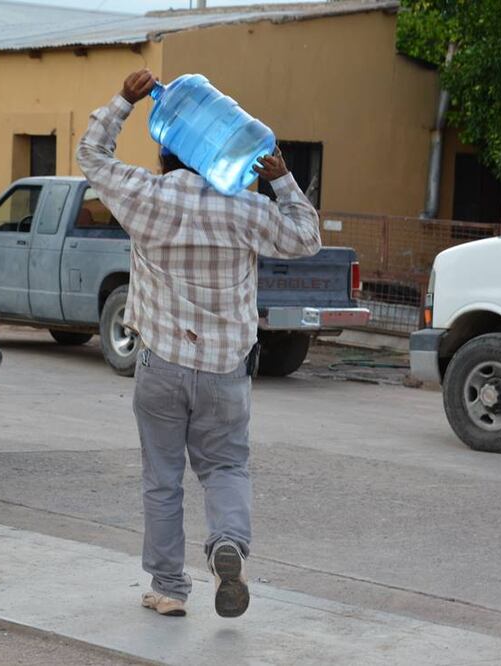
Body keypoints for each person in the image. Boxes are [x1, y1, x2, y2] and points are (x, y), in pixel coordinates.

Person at [75, 69, 322, 619]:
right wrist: (281, 180)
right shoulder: (246, 209)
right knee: (226, 468)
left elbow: (90, 155)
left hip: (160, 365)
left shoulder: (144, 195)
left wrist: (123, 100)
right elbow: (307, 238)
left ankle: (168, 589)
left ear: (167, 155)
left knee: (162, 480)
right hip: (224, 370)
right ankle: (227, 545)